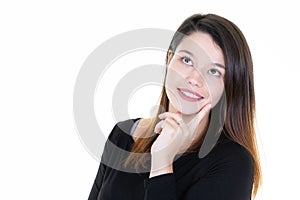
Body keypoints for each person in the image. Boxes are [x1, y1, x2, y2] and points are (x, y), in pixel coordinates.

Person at [88, 13, 262, 200]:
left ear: (229, 86)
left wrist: (162, 163)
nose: (194, 79)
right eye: (187, 60)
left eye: (214, 71)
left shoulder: (233, 163)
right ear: (169, 59)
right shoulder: (122, 136)